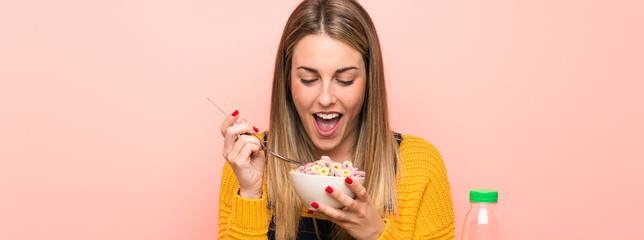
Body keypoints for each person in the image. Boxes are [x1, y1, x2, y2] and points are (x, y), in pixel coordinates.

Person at [217, 0, 454, 239]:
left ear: (369, 81)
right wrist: (250, 194)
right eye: (309, 79)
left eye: (345, 79)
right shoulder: (248, 160)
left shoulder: (419, 167)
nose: (326, 98)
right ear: (287, 81)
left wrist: (376, 234)